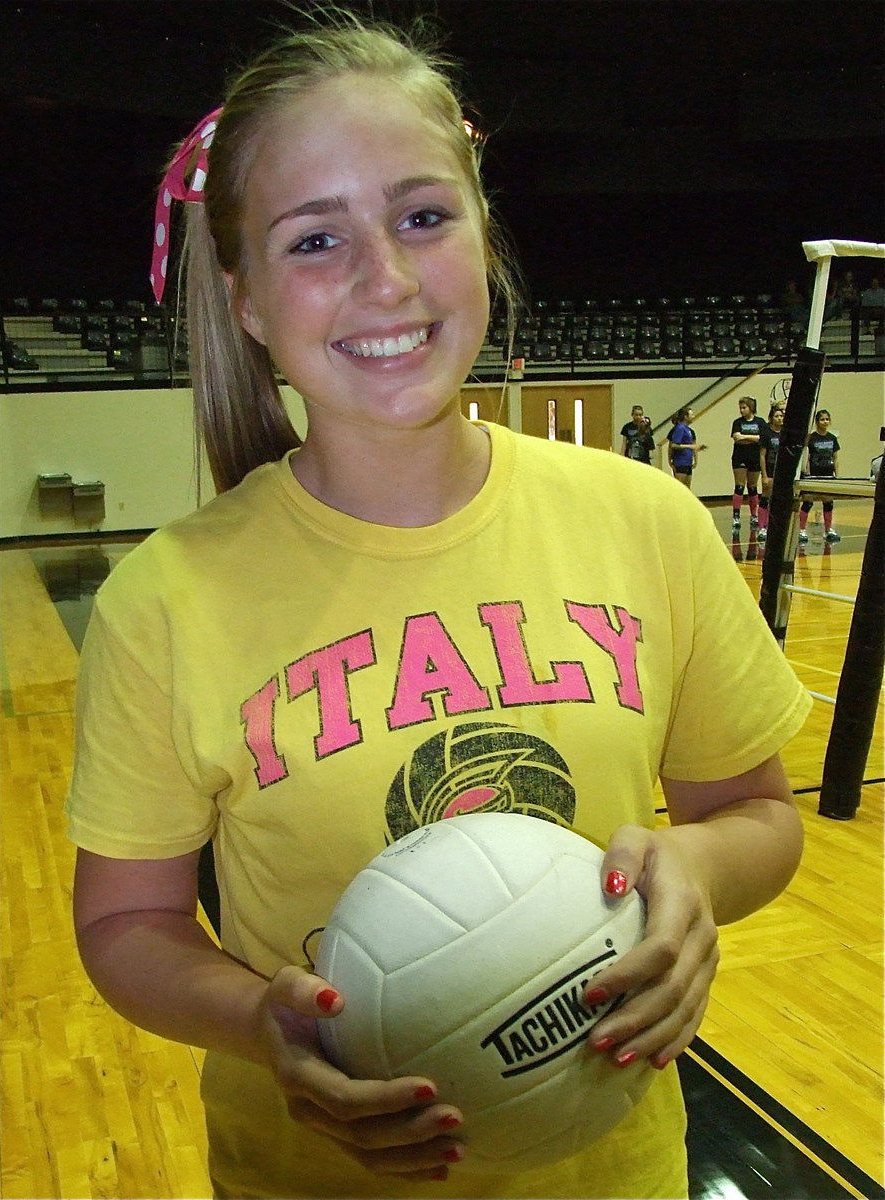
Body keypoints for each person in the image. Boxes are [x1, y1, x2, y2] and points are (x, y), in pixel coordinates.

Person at [66, 11, 810, 1200]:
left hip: (616, 1172)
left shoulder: (646, 522)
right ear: (245, 298)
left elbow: (757, 815)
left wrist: (691, 877)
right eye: (316, 241)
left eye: (423, 216)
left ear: (482, 235)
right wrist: (260, 1019)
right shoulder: (167, 599)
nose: (387, 278)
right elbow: (124, 928)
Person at [799, 409, 841, 542]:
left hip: (828, 474)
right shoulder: (811, 438)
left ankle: (828, 530)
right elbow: (807, 457)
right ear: (817, 422)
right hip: (814, 474)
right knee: (808, 501)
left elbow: (836, 458)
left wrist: (837, 475)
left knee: (828, 502)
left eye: (827, 419)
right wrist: (808, 473)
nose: (825, 422)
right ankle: (801, 530)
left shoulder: (832, 438)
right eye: (822, 419)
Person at [730, 396, 766, 530]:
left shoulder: (760, 422)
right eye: (740, 408)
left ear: (751, 408)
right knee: (739, 486)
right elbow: (736, 438)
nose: (741, 410)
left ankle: (753, 515)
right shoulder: (737, 422)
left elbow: (761, 439)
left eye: (744, 407)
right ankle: (736, 516)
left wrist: (744, 436)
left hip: (755, 457)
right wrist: (752, 439)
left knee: (752, 487)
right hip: (740, 457)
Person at [757, 401, 786, 542]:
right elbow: (762, 455)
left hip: (782, 470)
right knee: (766, 497)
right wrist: (764, 475)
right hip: (769, 469)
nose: (779, 418)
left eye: (781, 416)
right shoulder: (767, 433)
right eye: (776, 416)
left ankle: (775, 527)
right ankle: (762, 527)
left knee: (779, 500)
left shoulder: (785, 434)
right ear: (771, 418)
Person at [666, 406, 706, 488]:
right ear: (685, 417)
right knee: (680, 488)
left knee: (687, 488)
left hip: (688, 462)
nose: (693, 416)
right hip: (681, 463)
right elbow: (673, 445)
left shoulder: (688, 430)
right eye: (691, 415)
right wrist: (690, 446)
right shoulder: (680, 428)